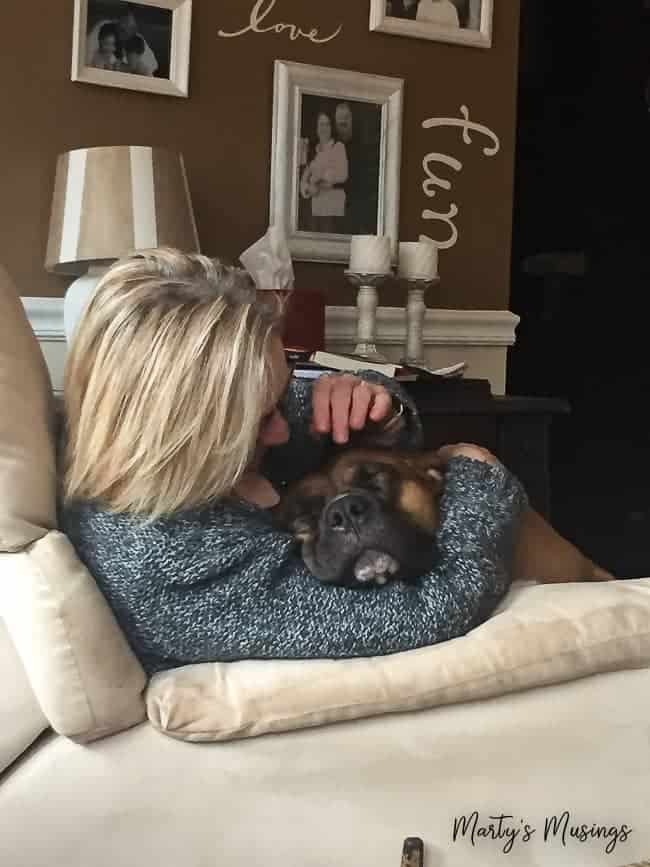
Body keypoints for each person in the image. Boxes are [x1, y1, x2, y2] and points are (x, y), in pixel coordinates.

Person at [60, 248, 528, 677]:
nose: (284, 430)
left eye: (281, 395)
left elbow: (346, 403)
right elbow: (436, 608)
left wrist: (378, 407)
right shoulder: (169, 562)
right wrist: (475, 470)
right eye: (260, 421)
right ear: (176, 440)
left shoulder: (227, 438)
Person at [334, 102, 380, 235]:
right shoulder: (330, 148)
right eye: (340, 122)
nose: (342, 125)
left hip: (359, 216)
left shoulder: (363, 152)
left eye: (346, 121)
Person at [300, 110, 348, 234]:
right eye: (321, 124)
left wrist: (319, 183)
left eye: (327, 124)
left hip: (331, 209)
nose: (324, 128)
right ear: (316, 128)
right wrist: (307, 188)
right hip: (313, 208)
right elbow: (304, 179)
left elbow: (343, 175)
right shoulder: (313, 151)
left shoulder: (338, 147)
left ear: (332, 127)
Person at [86, 4, 158, 76]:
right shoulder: (103, 28)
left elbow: (152, 67)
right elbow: (86, 57)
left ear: (135, 29)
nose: (125, 30)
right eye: (122, 26)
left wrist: (131, 67)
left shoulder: (138, 39)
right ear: (117, 19)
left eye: (130, 28)